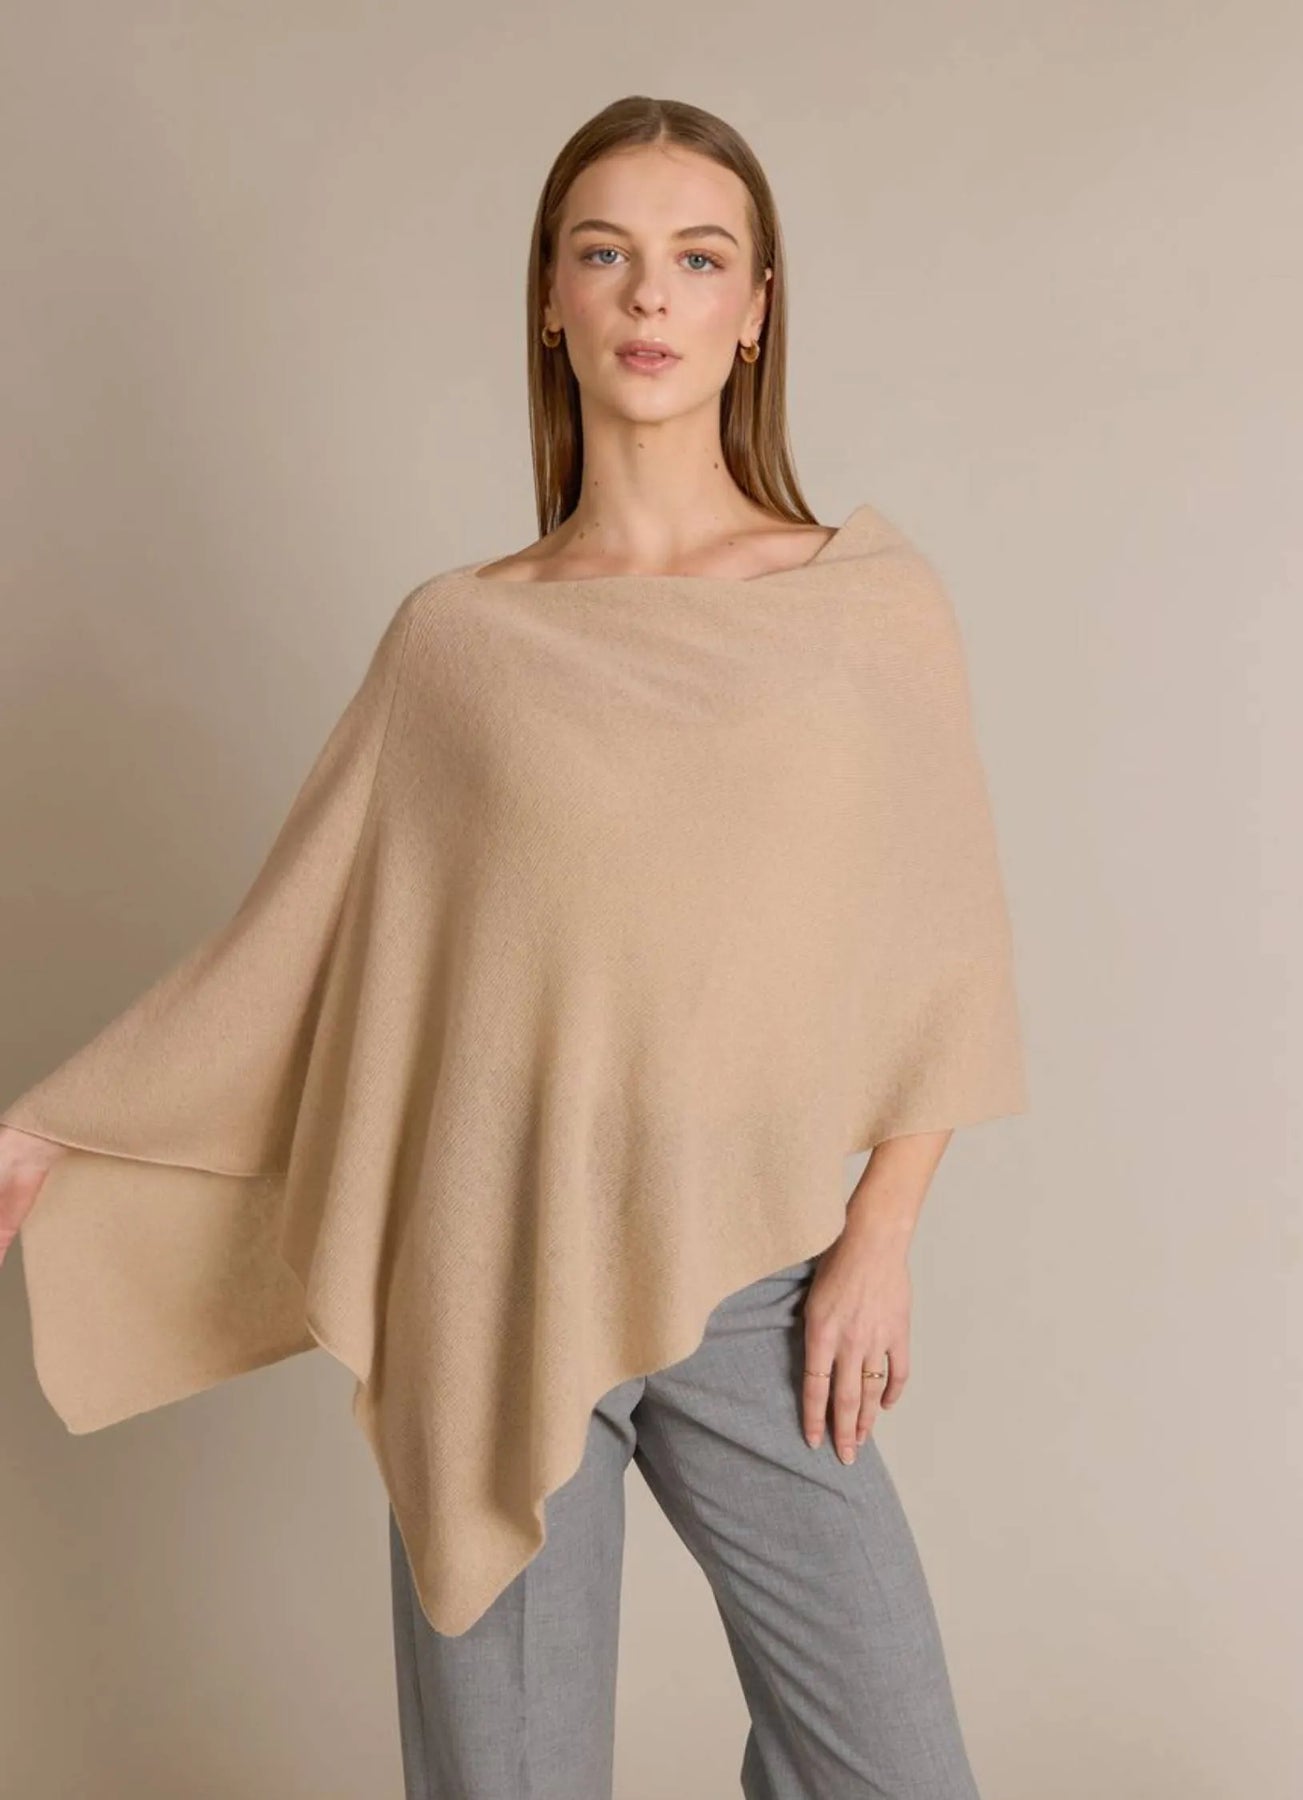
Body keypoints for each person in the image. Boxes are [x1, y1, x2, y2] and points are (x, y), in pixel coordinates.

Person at [1, 95, 1027, 1798]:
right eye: (605, 254)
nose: (650, 294)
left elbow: (947, 945)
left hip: (755, 1269)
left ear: (756, 307)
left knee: (898, 1771)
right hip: (483, 1275)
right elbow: (292, 949)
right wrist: (56, 1127)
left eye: (697, 258)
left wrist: (881, 1235)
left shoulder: (864, 607)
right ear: (551, 296)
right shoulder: (460, 644)